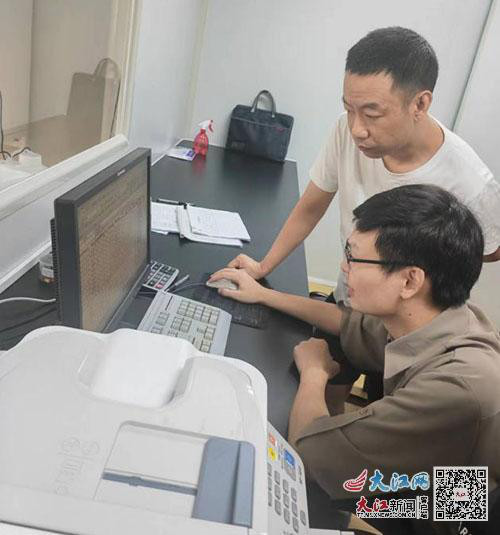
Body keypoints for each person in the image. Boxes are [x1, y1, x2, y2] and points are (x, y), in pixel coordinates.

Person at [211, 184, 500, 534]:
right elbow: (348, 323)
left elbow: (309, 457)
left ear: (410, 281)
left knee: (297, 490)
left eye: (354, 257)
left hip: (449, 510)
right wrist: (264, 295)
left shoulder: (457, 386)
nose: (344, 267)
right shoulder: (442, 318)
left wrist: (314, 373)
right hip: (439, 478)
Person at [221, 26, 500, 306]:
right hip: (349, 302)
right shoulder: (344, 130)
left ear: (420, 104)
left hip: (398, 325)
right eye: (349, 109)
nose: (357, 129)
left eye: (371, 114)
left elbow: (490, 250)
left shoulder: (470, 181)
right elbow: (311, 207)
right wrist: (263, 267)